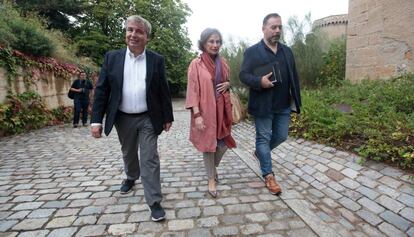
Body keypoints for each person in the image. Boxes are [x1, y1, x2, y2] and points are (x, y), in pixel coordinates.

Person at [90, 15, 174, 222]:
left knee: (149, 157)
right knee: (128, 152)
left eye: (139, 31)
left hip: (148, 117)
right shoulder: (112, 58)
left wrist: (167, 116)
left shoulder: (156, 59)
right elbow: (102, 90)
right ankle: (130, 176)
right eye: (130, 30)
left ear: (147, 37)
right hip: (123, 117)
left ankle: (154, 201)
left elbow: (163, 89)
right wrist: (96, 120)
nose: (133, 34)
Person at [239, 13, 301, 195]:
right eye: (273, 27)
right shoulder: (252, 52)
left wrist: (296, 100)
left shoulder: (287, 51)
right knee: (263, 139)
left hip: (283, 105)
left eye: (279, 27)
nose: (277, 30)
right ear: (264, 28)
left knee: (281, 136)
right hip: (263, 105)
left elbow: (294, 77)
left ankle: (260, 152)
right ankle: (268, 175)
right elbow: (243, 75)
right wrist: (260, 81)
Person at [186, 28, 236, 198]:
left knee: (223, 144)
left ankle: (212, 168)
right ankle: (211, 179)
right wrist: (197, 115)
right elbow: (192, 91)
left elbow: (227, 82)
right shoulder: (196, 64)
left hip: (222, 111)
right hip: (205, 111)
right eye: (211, 41)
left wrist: (228, 84)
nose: (215, 45)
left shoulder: (225, 63)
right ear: (204, 43)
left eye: (218, 41)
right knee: (208, 146)